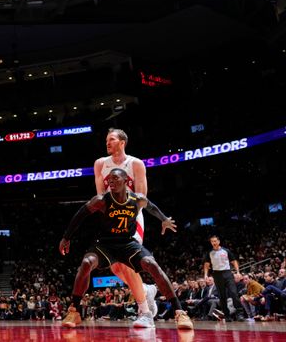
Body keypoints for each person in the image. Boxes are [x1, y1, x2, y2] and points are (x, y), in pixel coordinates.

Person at [59, 168, 193, 330]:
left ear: (126, 181)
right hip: (105, 244)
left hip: (128, 243)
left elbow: (151, 207)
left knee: (152, 264)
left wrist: (164, 219)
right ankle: (74, 311)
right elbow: (80, 214)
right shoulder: (101, 200)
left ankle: (179, 312)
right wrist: (66, 237)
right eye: (109, 179)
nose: (110, 182)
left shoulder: (137, 199)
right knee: (87, 262)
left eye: (115, 178)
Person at [94, 128, 158, 328]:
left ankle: (145, 312)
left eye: (111, 139)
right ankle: (145, 290)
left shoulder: (135, 164)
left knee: (127, 262)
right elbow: (101, 198)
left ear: (122, 142)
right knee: (115, 265)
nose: (107, 143)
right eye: (106, 140)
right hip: (111, 220)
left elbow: (142, 198)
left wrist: (126, 219)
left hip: (132, 218)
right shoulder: (100, 164)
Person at [203, 235, 243, 321]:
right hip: (217, 275)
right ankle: (227, 315)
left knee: (233, 293)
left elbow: (234, 261)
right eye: (212, 241)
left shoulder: (226, 250)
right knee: (222, 296)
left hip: (227, 273)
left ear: (219, 241)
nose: (213, 243)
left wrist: (238, 272)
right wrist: (205, 275)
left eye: (215, 241)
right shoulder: (209, 252)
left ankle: (239, 314)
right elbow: (206, 265)